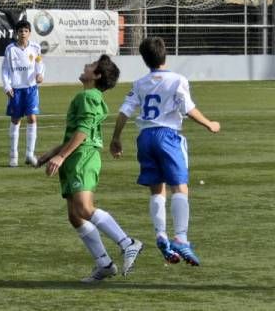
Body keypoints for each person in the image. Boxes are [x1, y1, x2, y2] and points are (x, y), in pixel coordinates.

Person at [110, 37, 220, 266]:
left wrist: (116, 138)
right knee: (179, 187)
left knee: (156, 190)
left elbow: (124, 112)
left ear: (144, 59)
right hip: (168, 136)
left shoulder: (140, 83)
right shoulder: (177, 80)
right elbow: (187, 108)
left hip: (146, 138)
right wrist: (209, 123)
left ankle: (161, 233)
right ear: (165, 54)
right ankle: (180, 237)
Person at [37, 55, 143, 283]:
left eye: (92, 65)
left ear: (96, 76)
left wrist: (61, 156)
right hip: (76, 156)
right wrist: (52, 154)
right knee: (75, 216)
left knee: (84, 208)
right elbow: (78, 132)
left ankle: (127, 243)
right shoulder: (90, 97)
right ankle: (104, 264)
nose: (86, 66)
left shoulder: (87, 96)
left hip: (82, 157)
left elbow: (83, 132)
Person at [1, 19, 45, 167]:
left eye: (26, 31)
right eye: (20, 31)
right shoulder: (10, 49)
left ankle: (29, 154)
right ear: (16, 33)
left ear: (30, 33)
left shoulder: (35, 47)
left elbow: (39, 63)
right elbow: (5, 69)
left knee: (32, 118)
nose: (23, 34)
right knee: (16, 119)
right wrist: (7, 86)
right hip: (16, 89)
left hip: (31, 88)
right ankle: (13, 155)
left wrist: (40, 74)